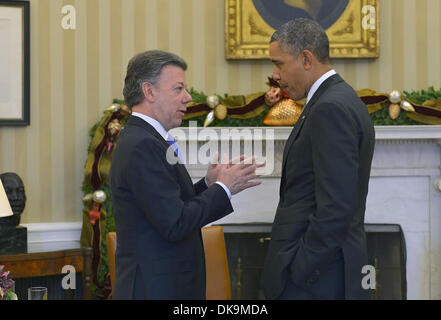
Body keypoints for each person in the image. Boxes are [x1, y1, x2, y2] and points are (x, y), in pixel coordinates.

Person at [109, 50, 262, 300]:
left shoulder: (146, 138)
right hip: (154, 289)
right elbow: (175, 223)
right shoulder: (142, 144)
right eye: (178, 88)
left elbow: (168, 206)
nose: (188, 97)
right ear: (149, 91)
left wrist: (208, 184)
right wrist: (223, 188)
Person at [262, 18, 375, 300]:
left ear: (306, 59)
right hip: (324, 274)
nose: (275, 74)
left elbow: (336, 207)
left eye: (279, 64)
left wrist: (299, 269)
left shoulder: (330, 107)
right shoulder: (336, 98)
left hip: (319, 280)